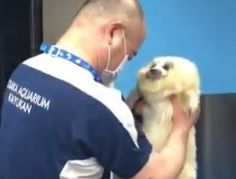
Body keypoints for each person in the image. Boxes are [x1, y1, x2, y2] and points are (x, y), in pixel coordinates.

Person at [0, 0, 199, 178]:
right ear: (114, 33)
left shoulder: (26, 70)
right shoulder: (99, 105)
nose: (124, 63)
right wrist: (182, 128)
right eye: (129, 55)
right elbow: (154, 175)